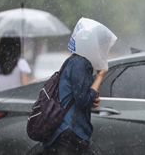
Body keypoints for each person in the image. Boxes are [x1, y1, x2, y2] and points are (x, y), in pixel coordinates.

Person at [39, 18, 116, 155]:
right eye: (102, 46)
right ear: (92, 45)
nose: (103, 50)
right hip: (69, 133)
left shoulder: (79, 63)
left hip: (72, 133)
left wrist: (91, 98)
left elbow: (79, 97)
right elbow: (82, 101)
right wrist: (100, 76)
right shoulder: (79, 63)